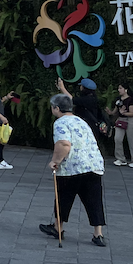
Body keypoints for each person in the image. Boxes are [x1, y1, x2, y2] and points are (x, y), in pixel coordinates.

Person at [39, 91, 106, 247]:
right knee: (94, 200)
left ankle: (58, 228)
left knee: (64, 197)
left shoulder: (61, 123)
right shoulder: (81, 121)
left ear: (56, 108)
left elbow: (63, 144)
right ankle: (98, 234)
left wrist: (55, 161)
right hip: (93, 165)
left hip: (72, 167)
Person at [110, 83, 133, 167]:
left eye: (120, 88)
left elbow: (132, 113)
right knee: (117, 138)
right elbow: (115, 111)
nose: (119, 90)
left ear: (126, 90)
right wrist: (110, 112)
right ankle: (120, 159)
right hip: (120, 120)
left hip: (129, 120)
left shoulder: (131, 100)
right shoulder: (118, 99)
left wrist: (124, 113)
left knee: (131, 140)